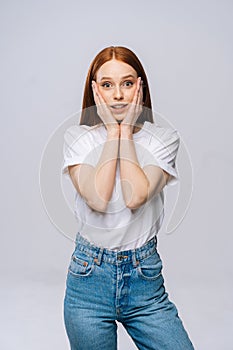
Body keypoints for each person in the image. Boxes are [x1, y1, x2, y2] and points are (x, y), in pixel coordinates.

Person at [62, 46, 194, 350]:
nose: (118, 94)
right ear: (95, 91)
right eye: (107, 85)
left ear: (141, 88)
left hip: (144, 280)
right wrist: (113, 132)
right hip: (88, 281)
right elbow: (98, 198)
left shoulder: (163, 138)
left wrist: (124, 134)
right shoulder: (77, 138)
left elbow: (135, 196)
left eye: (127, 83)